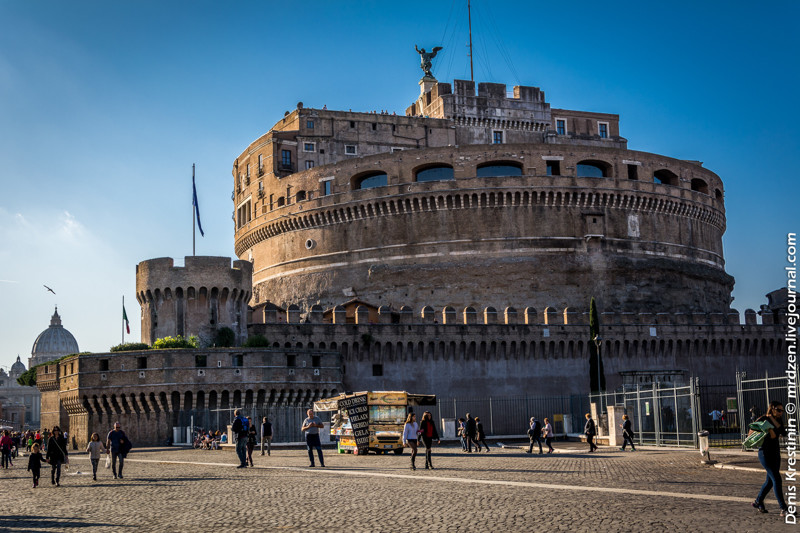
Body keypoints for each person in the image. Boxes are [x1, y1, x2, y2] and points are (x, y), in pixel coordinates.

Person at [750, 401, 789, 517]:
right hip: (764, 454)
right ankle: (783, 508)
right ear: (772, 408)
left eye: (782, 410)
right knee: (777, 479)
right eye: (779, 410)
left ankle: (758, 502)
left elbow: (784, 433)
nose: (781, 412)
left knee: (769, 481)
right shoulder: (762, 419)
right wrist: (766, 430)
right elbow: (750, 434)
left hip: (776, 454)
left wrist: (773, 421)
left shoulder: (778, 420)